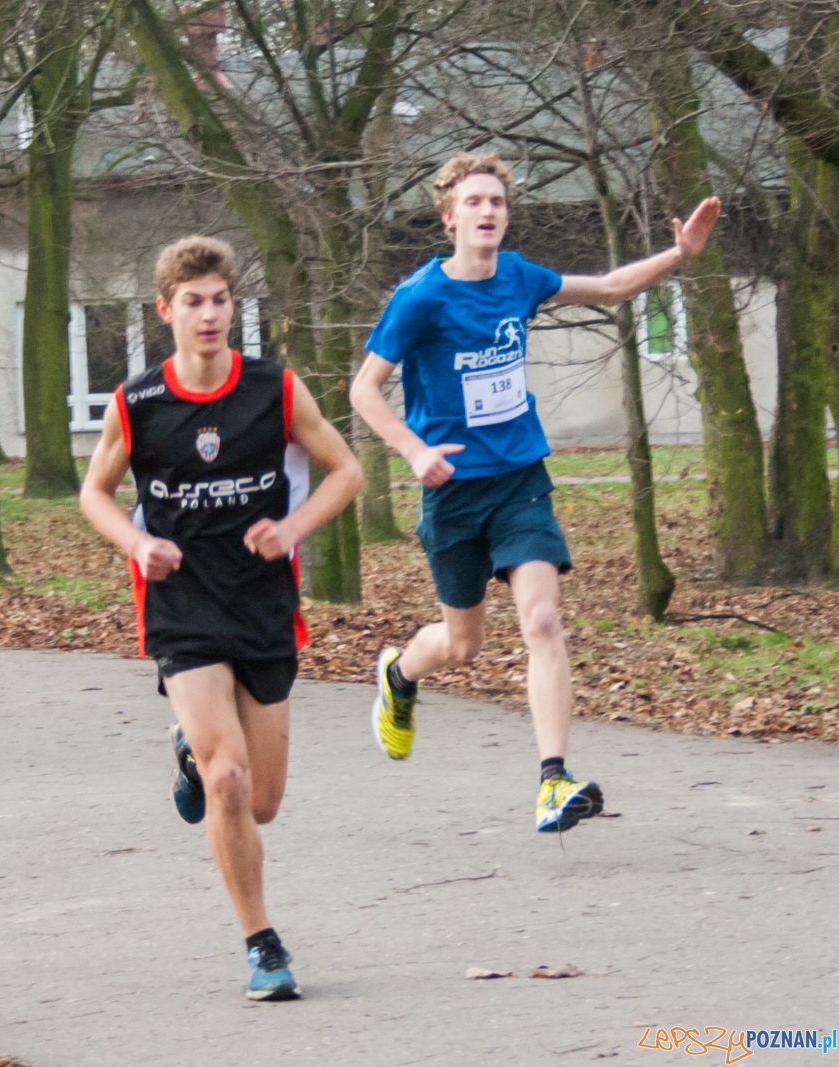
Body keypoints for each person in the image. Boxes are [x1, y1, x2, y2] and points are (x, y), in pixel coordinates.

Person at [349, 152, 721, 834]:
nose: (488, 211)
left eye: (497, 201)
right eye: (474, 202)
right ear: (449, 216)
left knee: (543, 621)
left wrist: (678, 253)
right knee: (464, 646)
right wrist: (413, 449)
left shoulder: (519, 276)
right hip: (454, 491)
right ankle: (401, 675)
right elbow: (363, 388)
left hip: (520, 479)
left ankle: (553, 780)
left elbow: (608, 287)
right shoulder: (421, 296)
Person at [79, 236, 362, 1002]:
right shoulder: (138, 404)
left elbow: (348, 471)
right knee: (229, 780)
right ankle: (261, 942)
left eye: (220, 300)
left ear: (235, 307)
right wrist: (139, 542)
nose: (209, 315)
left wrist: (293, 530)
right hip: (184, 609)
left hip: (263, 604)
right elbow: (93, 493)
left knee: (262, 801)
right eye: (193, 302)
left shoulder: (276, 389)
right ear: (165, 311)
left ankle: (186, 747)